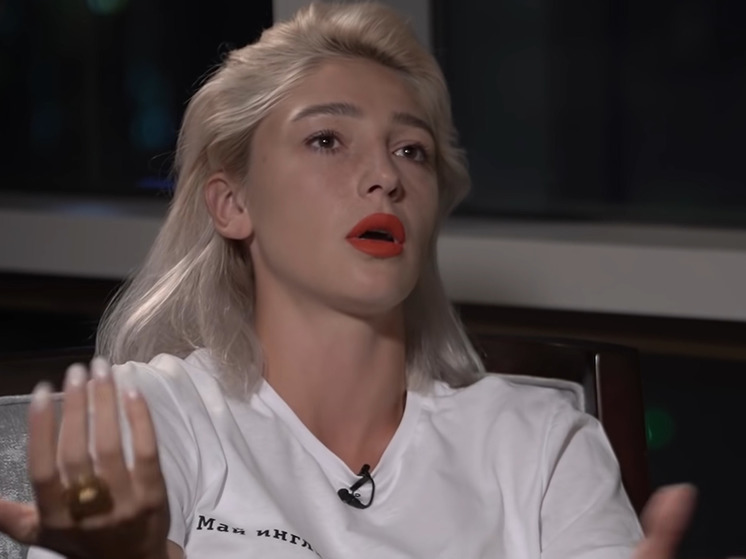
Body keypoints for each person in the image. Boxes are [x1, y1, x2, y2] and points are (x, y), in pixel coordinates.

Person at [0, 2, 695, 558]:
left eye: (411, 150)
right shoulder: (151, 415)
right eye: (327, 140)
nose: (385, 176)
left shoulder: (540, 442)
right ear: (232, 203)